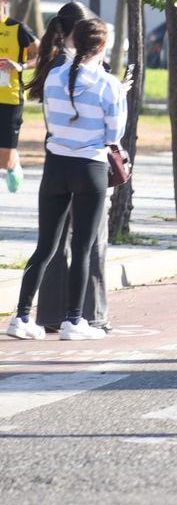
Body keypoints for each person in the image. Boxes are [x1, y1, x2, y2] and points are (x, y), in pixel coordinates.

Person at [7, 19, 125, 341]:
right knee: (82, 247)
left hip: (56, 166)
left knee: (45, 246)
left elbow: (52, 120)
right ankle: (74, 320)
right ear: (101, 46)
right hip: (90, 167)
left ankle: (21, 316)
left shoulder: (54, 77)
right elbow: (114, 135)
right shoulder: (108, 85)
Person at [0, 0, 39, 193]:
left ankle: (13, 162)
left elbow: (44, 56)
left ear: (4, 1)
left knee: (4, 161)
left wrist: (20, 65)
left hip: (10, 98)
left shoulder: (17, 29)